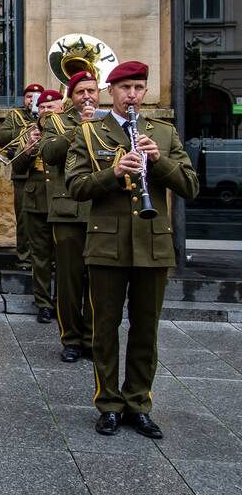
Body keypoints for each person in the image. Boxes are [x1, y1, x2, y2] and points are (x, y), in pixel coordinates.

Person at [66, 60, 198, 440]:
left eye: (139, 87)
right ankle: (108, 404)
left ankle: (138, 403)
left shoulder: (164, 133)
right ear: (112, 92)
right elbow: (75, 187)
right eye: (125, 88)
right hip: (106, 244)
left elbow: (190, 186)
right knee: (104, 330)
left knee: (145, 330)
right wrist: (114, 172)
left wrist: (160, 162)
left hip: (153, 244)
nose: (132, 95)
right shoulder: (90, 133)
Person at [40, 72, 98, 361]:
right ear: (71, 97)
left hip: (101, 211)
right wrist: (81, 129)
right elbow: (49, 153)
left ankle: (92, 337)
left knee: (99, 281)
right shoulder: (57, 121)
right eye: (80, 92)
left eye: (91, 90)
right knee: (70, 281)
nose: (87, 96)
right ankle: (71, 339)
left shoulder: (109, 121)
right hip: (68, 211)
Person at [12, 89, 64, 323]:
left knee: (65, 258)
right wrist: (29, 147)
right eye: (42, 107)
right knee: (40, 257)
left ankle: (63, 302)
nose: (46, 111)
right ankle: (43, 302)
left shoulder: (70, 130)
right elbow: (18, 168)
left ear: (61, 108)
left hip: (63, 200)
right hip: (36, 201)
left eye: (51, 107)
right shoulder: (29, 132)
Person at [0, 83, 44, 270]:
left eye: (37, 96)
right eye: (30, 96)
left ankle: (48, 259)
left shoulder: (51, 116)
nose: (33, 100)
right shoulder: (15, 116)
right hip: (23, 175)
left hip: (44, 174)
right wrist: (28, 129)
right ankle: (25, 259)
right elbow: (2, 137)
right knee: (24, 220)